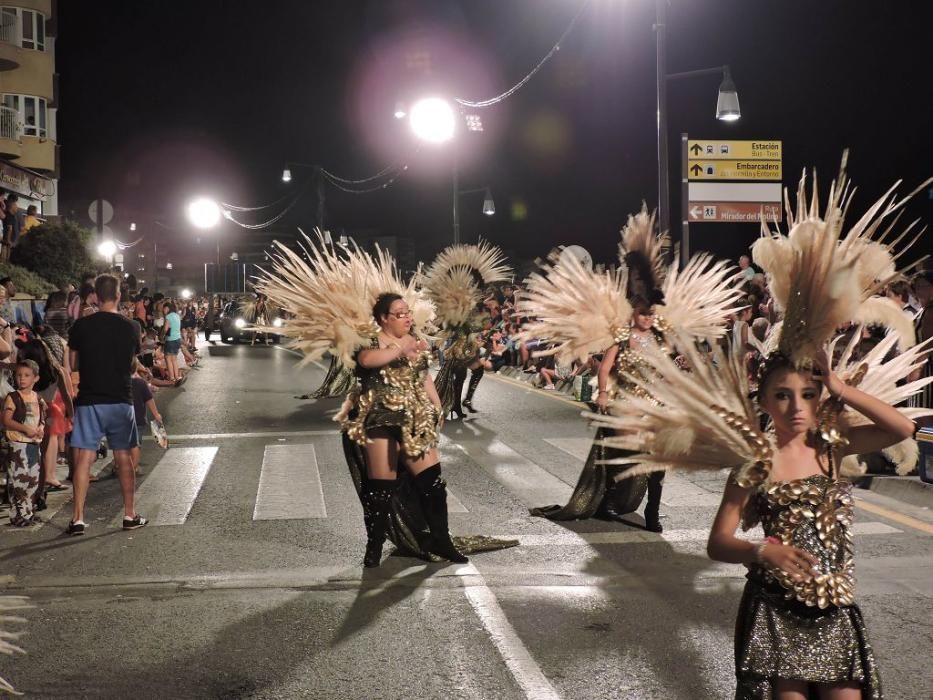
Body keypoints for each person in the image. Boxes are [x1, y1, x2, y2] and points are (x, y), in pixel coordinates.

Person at [597, 163, 931, 699]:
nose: (796, 406)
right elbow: (718, 540)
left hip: (836, 605)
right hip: (777, 610)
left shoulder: (832, 448)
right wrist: (761, 552)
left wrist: (841, 388)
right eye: (782, 396)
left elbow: (902, 425)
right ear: (765, 402)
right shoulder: (756, 459)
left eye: (806, 394)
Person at [256, 233, 517, 567]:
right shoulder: (368, 339)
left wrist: (436, 406)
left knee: (432, 483)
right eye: (399, 313)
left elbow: (423, 377)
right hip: (380, 419)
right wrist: (398, 349)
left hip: (415, 419)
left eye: (408, 312)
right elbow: (366, 361)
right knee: (380, 489)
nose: (407, 317)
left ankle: (443, 541)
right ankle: (374, 546)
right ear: (382, 318)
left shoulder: (415, 341)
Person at [520, 207, 742, 529]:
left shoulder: (661, 340)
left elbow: (669, 371)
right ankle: (610, 501)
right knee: (620, 455)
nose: (648, 317)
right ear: (634, 312)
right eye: (643, 313)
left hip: (654, 408)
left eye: (652, 313)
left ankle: (652, 511)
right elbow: (605, 367)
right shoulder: (621, 338)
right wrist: (605, 393)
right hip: (624, 404)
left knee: (657, 462)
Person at [67, 273, 147, 535]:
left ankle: (78, 518)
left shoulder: (81, 326)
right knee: (123, 457)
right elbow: (132, 360)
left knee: (84, 459)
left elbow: (73, 363)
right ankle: (129, 514)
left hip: (90, 398)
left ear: (96, 296)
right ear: (119, 295)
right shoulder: (130, 327)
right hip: (120, 398)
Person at [3, 360, 47, 527]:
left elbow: (41, 419)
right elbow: (7, 420)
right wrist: (25, 428)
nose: (22, 379)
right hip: (18, 445)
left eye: (27, 375)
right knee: (18, 481)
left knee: (32, 480)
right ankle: (17, 515)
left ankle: (28, 512)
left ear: (36, 378)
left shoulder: (38, 399)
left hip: (33, 445)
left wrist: (40, 429)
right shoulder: (13, 398)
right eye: (19, 375)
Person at [130, 359, 163, 474]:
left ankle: (120, 466)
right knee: (136, 444)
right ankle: (134, 467)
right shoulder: (140, 383)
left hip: (122, 418)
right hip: (138, 418)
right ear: (135, 369)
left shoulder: (118, 383)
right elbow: (149, 400)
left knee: (122, 445)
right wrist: (156, 414)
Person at [160, 301, 182, 384]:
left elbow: (165, 329)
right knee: (174, 359)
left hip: (170, 339)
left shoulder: (168, 316)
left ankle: (172, 378)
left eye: (164, 308)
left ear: (168, 308)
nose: (163, 310)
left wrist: (161, 336)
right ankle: (177, 377)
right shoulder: (177, 315)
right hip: (177, 339)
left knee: (168, 359)